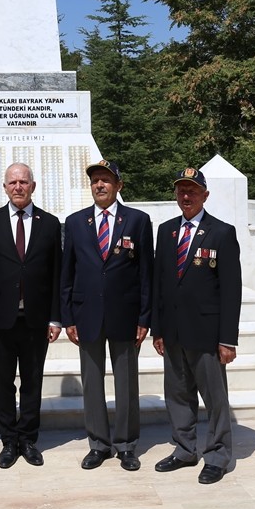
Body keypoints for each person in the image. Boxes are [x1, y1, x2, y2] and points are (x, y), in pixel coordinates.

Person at [151, 167, 242, 485]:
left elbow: (232, 291)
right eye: (181, 191)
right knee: (177, 395)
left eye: (192, 190)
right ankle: (185, 449)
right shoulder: (165, 231)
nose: (186, 196)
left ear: (205, 195)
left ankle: (217, 456)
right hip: (173, 333)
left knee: (215, 399)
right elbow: (158, 283)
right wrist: (157, 328)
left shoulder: (221, 232)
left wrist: (227, 339)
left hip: (207, 334)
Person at [60, 159, 153, 471]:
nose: (99, 185)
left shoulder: (138, 221)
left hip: (126, 316)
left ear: (119, 186)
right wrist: (68, 318)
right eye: (95, 181)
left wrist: (144, 318)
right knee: (92, 382)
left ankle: (126, 445)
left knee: (126, 383)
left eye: (106, 180)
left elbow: (145, 274)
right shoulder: (75, 223)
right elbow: (67, 275)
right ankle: (98, 444)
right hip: (86, 315)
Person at [0, 162, 62, 469]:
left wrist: (55, 318)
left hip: (36, 319)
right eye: (13, 182)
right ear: (5, 187)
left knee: (32, 381)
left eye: (24, 182)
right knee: (3, 382)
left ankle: (28, 439)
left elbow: (57, 275)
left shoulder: (50, 224)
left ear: (33, 186)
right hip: (0, 319)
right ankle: (8, 440)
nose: (18, 187)